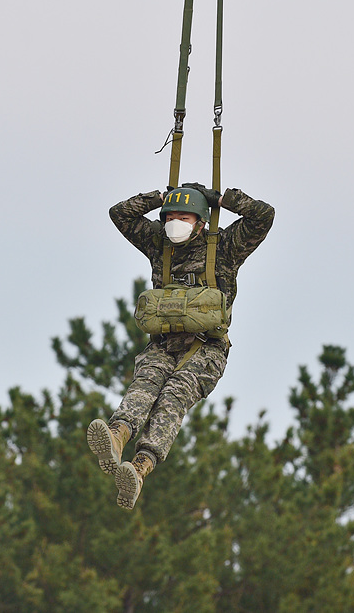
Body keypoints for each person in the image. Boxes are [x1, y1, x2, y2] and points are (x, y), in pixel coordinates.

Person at [87, 183, 274, 509]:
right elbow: (120, 214)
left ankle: (140, 468)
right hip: (163, 344)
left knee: (175, 394)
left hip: (206, 349)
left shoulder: (225, 247)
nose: (174, 222)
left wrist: (222, 200)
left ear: (200, 221)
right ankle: (117, 436)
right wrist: (158, 198)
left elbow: (263, 216)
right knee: (145, 383)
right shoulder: (159, 244)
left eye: (183, 216)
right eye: (169, 216)